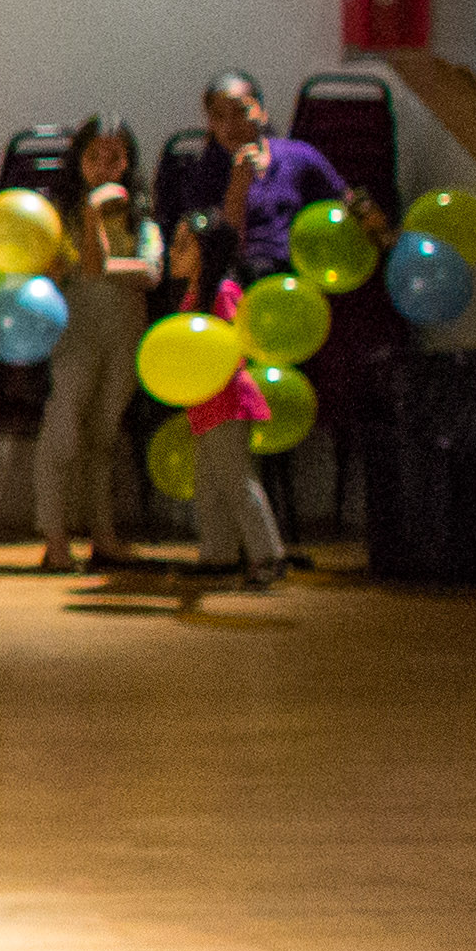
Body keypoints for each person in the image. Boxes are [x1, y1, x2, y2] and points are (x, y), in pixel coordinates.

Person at [34, 116, 159, 573]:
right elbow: (84, 268)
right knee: (65, 426)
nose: (106, 166)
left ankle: (103, 536)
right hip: (75, 333)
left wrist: (115, 267)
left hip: (124, 333)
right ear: (78, 161)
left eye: (116, 157)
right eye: (94, 156)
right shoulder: (63, 213)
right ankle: (54, 536)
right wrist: (91, 219)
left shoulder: (141, 214)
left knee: (104, 436)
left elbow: (150, 272)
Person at [164, 211, 287, 590]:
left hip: (228, 404)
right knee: (209, 482)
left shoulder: (222, 293)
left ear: (202, 251)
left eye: (183, 244)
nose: (172, 252)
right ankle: (219, 553)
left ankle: (268, 555)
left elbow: (232, 349)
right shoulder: (194, 296)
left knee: (236, 480)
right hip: (206, 407)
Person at [202, 72, 341, 282]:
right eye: (219, 116)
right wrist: (238, 186)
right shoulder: (204, 171)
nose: (230, 125)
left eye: (240, 111)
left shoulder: (299, 155)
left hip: (299, 276)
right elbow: (219, 252)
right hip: (239, 282)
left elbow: (341, 204)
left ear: (262, 112)